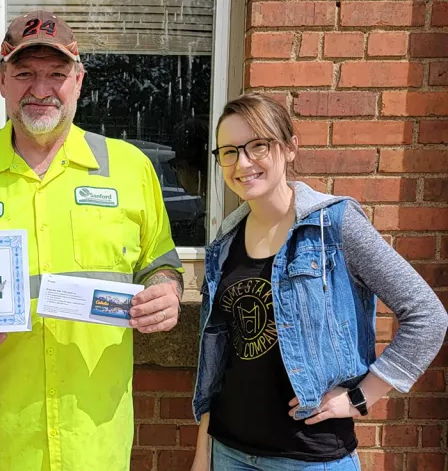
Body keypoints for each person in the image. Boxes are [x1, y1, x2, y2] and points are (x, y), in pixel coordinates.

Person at [0, 10, 185, 471]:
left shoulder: (130, 168)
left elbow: (160, 262)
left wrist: (167, 292)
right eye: (24, 74)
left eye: (57, 74)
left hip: (93, 441)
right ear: (1, 80)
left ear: (78, 80)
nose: (41, 89)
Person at [191, 93, 448, 470]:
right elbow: (216, 365)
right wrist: (203, 456)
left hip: (310, 458)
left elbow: (427, 315)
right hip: (229, 452)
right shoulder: (224, 244)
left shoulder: (334, 225)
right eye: (228, 152)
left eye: (257, 146)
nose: (242, 163)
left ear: (290, 147)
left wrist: (361, 398)